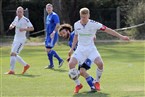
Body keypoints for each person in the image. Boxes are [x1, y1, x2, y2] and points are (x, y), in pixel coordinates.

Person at [68, 7, 130, 93]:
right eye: (82, 17)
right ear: (80, 16)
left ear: (89, 15)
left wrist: (121, 36)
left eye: (85, 17)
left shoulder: (94, 24)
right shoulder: (76, 24)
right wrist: (71, 49)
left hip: (91, 49)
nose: (84, 19)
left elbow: (108, 30)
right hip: (80, 49)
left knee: (100, 64)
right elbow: (76, 36)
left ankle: (97, 81)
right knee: (71, 64)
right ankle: (78, 84)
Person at [58, 24, 97, 93]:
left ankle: (93, 87)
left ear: (68, 31)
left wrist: (93, 35)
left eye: (64, 33)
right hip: (81, 57)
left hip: (88, 55)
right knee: (79, 71)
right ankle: (91, 83)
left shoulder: (74, 34)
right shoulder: (70, 42)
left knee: (81, 71)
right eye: (61, 35)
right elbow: (76, 50)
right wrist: (70, 57)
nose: (63, 35)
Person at [5, 6, 34, 75]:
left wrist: (24, 29)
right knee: (13, 54)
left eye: (21, 11)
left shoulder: (25, 19)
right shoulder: (16, 18)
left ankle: (12, 71)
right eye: (18, 11)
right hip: (16, 39)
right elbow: (13, 23)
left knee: (13, 54)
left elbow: (32, 28)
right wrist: (11, 26)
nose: (19, 13)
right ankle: (25, 65)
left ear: (23, 12)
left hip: (21, 40)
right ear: (16, 12)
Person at [44, 3, 64, 69]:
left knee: (48, 49)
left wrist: (54, 32)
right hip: (48, 36)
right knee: (47, 50)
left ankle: (60, 60)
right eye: (47, 8)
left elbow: (58, 24)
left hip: (52, 35)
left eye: (50, 7)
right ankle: (51, 65)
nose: (48, 9)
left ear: (52, 8)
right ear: (46, 9)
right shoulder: (48, 16)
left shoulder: (54, 15)